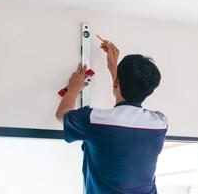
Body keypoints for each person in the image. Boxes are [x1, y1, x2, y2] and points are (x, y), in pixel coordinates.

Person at [56, 39, 168, 194]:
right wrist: (114, 69)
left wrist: (74, 86)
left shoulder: (94, 120)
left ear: (117, 82)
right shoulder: (159, 123)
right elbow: (126, 106)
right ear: (149, 91)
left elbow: (62, 114)